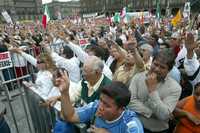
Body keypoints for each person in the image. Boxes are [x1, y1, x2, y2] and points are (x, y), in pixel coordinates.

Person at [55, 70, 144, 133]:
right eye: (101, 100)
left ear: (121, 109)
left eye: (107, 105)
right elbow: (70, 116)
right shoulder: (96, 106)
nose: (101, 106)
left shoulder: (131, 124)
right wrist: (64, 93)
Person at [128, 48, 181, 133]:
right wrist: (151, 113)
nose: (157, 69)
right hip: (134, 126)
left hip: (157, 130)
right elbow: (130, 102)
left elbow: (164, 115)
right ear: (152, 62)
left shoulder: (175, 88)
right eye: (155, 64)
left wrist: (152, 91)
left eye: (162, 67)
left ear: (169, 70)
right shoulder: (138, 77)